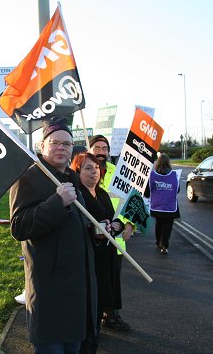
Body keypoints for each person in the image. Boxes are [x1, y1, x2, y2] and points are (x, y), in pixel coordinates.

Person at [9, 116, 97, 354]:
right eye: (55, 143)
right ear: (42, 146)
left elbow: (76, 223)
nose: (61, 148)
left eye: (66, 144)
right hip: (50, 286)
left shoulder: (72, 177)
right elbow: (19, 227)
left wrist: (96, 231)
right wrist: (57, 202)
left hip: (76, 287)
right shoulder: (27, 177)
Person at [70, 152, 125, 347]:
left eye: (96, 168)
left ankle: (95, 334)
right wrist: (96, 232)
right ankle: (87, 340)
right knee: (90, 305)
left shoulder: (102, 193)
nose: (94, 172)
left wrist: (116, 227)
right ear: (77, 171)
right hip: (91, 258)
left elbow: (114, 220)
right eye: (87, 168)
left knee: (102, 300)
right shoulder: (77, 197)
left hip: (107, 257)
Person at [88, 135, 132, 331]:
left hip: (116, 242)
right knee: (94, 282)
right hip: (93, 241)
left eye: (104, 148)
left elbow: (131, 202)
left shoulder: (118, 173)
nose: (101, 152)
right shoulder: (83, 171)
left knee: (113, 283)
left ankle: (110, 315)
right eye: (97, 147)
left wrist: (130, 224)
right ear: (90, 150)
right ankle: (93, 321)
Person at [145, 153, 180, 254]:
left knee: (159, 224)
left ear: (158, 162)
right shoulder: (174, 175)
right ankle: (164, 245)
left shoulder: (152, 175)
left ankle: (158, 242)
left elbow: (147, 191)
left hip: (157, 205)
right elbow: (177, 190)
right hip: (170, 206)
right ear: (168, 163)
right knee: (168, 226)